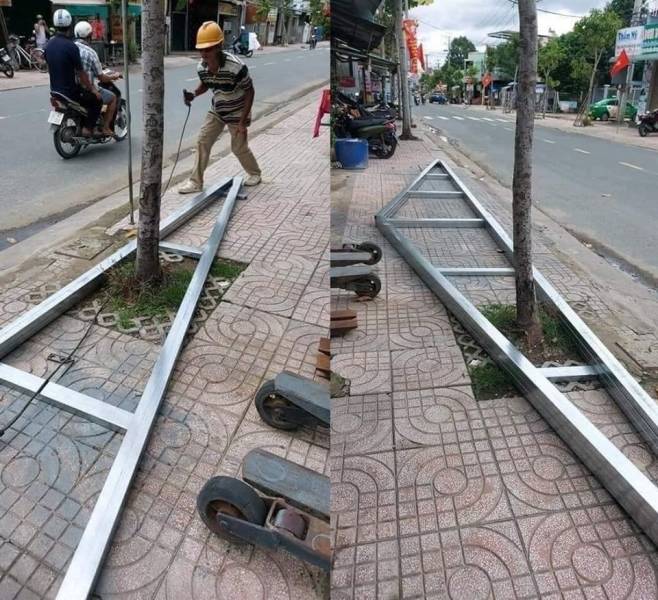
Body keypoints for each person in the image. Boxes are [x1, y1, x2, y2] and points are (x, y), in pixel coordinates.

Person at [179, 21, 261, 193]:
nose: (204, 54)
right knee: (203, 141)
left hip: (238, 112)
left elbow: (250, 91)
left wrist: (242, 122)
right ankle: (195, 182)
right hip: (218, 109)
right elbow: (206, 83)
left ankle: (255, 173)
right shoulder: (201, 67)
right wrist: (194, 94)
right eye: (201, 50)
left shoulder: (236, 67)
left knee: (238, 148)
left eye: (208, 49)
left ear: (218, 47)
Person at [44, 9, 102, 138]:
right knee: (97, 100)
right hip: (71, 93)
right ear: (70, 25)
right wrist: (93, 89)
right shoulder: (71, 47)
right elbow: (81, 73)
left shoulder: (48, 45)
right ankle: (88, 128)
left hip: (54, 91)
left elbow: (48, 65)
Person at [74, 20, 121, 137]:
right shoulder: (90, 52)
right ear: (90, 35)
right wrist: (114, 76)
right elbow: (102, 78)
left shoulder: (71, 48)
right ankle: (105, 128)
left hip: (72, 87)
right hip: (87, 89)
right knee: (112, 97)